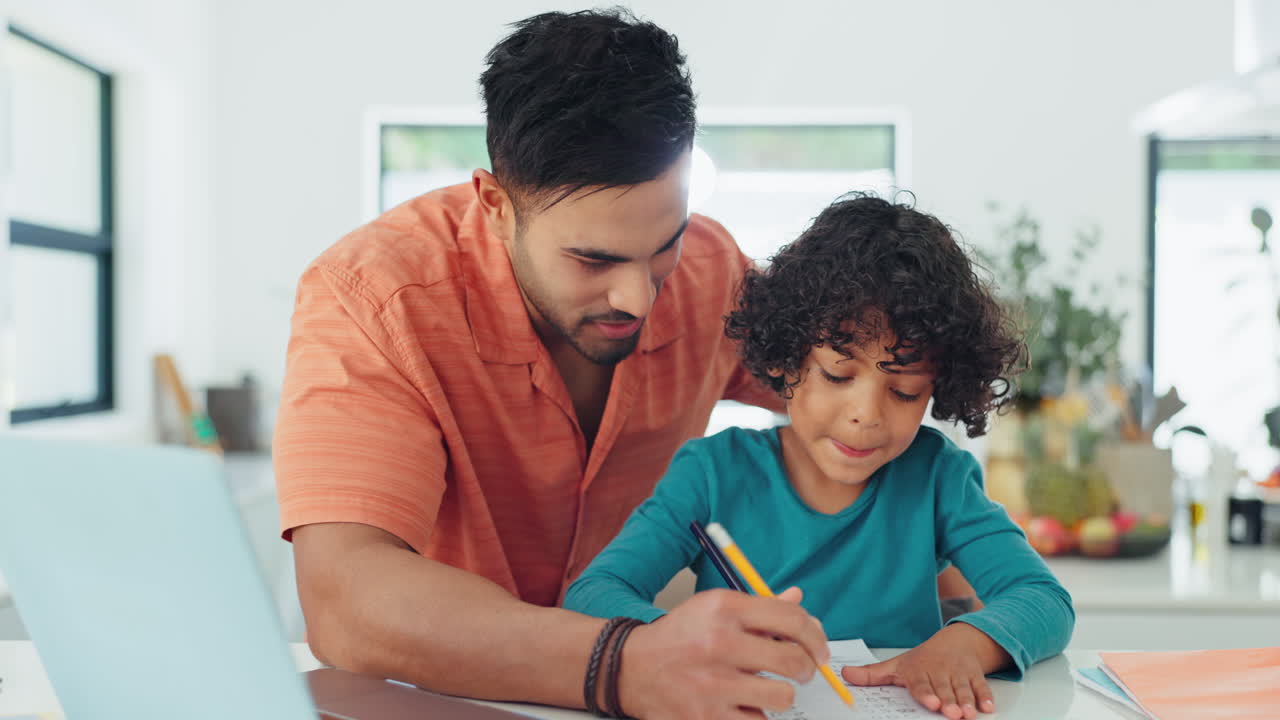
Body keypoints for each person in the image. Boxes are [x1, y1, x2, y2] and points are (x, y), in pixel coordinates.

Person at [274, 8, 836, 718]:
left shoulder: (712, 269)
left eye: (665, 241)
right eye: (592, 259)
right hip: (433, 699)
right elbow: (346, 598)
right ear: (496, 205)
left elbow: (848, 391)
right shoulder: (371, 295)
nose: (638, 295)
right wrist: (622, 667)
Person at [565, 194, 1075, 720]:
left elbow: (1043, 599)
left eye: (903, 392)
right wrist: (679, 645)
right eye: (837, 375)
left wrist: (963, 644)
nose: (866, 415)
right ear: (788, 360)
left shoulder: (937, 476)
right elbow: (593, 593)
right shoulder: (712, 474)